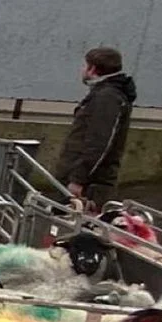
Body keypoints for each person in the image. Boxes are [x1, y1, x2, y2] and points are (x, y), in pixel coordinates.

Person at [54, 45, 137, 208]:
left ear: (92, 69)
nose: (82, 69)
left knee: (81, 227)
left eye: (85, 65)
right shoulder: (103, 94)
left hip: (90, 186)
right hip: (83, 179)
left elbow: (99, 142)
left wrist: (79, 179)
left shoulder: (107, 98)